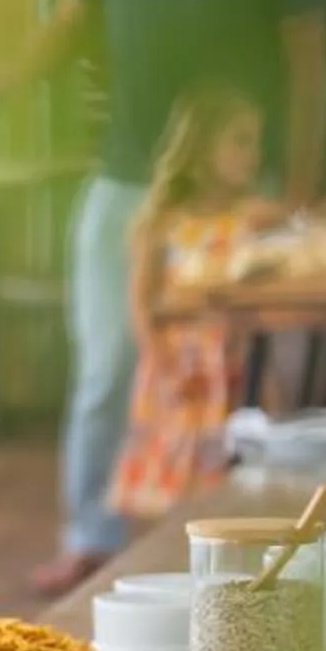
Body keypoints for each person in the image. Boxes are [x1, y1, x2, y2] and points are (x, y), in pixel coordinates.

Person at [0, 0, 326, 594]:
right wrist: (6, 80)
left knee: (234, 375)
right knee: (105, 367)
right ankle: (91, 535)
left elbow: (307, 65)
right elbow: (65, 26)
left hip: (234, 197)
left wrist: (299, 189)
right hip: (126, 185)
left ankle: (243, 544)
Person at [111, 88, 275, 522]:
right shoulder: (162, 223)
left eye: (256, 142)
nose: (254, 154)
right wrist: (163, 364)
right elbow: (141, 301)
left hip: (234, 361)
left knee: (235, 479)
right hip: (182, 366)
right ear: (202, 148)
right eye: (240, 141)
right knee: (177, 484)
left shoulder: (252, 217)